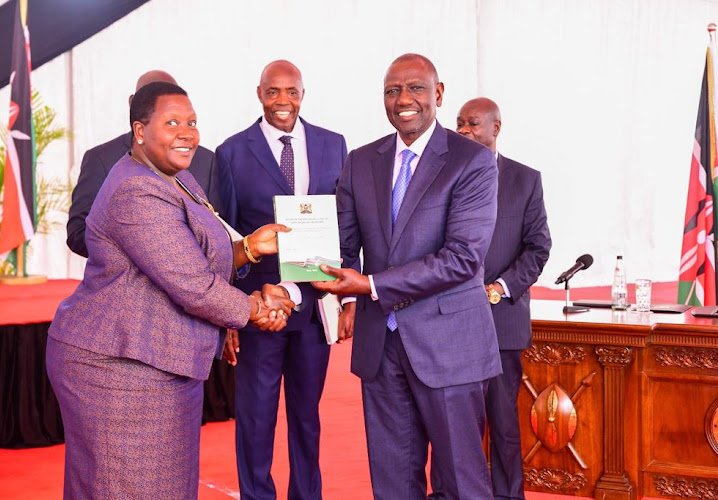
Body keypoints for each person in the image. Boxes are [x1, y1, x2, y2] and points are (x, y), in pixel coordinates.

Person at [46, 82, 295, 499]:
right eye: (172, 123)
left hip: (157, 358)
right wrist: (255, 308)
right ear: (140, 131)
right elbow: (192, 284)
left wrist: (250, 247)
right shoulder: (136, 189)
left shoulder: (176, 177)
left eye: (192, 123)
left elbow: (191, 256)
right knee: (124, 489)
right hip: (117, 367)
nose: (187, 133)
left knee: (165, 487)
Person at [314, 53, 502, 498]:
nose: (404, 99)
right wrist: (297, 269)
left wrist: (370, 286)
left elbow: (462, 259)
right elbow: (343, 245)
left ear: (438, 94)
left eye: (416, 88)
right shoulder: (361, 161)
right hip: (381, 348)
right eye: (392, 90)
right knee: (393, 484)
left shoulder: (472, 161)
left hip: (450, 347)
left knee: (461, 484)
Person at [214, 60, 348, 499]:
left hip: (315, 307)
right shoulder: (232, 152)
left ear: (303, 94)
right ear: (259, 94)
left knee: (307, 419)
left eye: (291, 91)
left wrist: (349, 299)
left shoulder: (333, 144)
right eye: (273, 92)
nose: (282, 101)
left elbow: (347, 223)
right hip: (261, 311)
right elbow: (224, 237)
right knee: (256, 420)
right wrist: (231, 313)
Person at [456, 97, 552, 500]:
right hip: (449, 324)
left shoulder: (524, 180)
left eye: (473, 123)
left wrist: (499, 288)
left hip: (501, 323)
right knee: (454, 425)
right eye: (459, 124)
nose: (464, 131)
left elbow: (538, 248)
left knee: (503, 423)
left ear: (496, 128)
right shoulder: (443, 176)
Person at [66, 70, 216, 258]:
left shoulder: (207, 160)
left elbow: (219, 229)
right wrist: (139, 249)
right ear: (133, 103)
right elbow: (77, 234)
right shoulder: (101, 158)